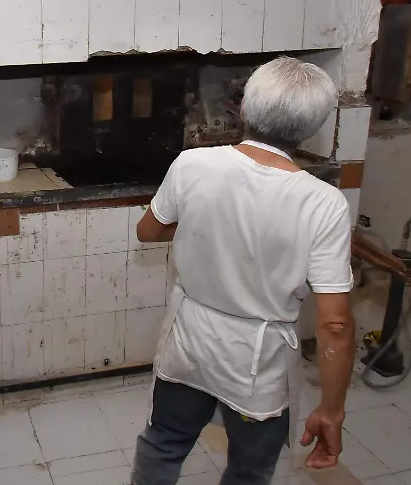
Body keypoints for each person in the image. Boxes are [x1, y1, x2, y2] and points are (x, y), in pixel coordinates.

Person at [130, 57, 355, 485]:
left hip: (190, 344)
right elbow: (336, 323)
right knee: (249, 470)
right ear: (314, 127)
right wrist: (332, 410)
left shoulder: (193, 164)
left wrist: (203, 223)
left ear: (244, 109)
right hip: (259, 360)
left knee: (164, 441)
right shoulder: (323, 203)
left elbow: (148, 230)